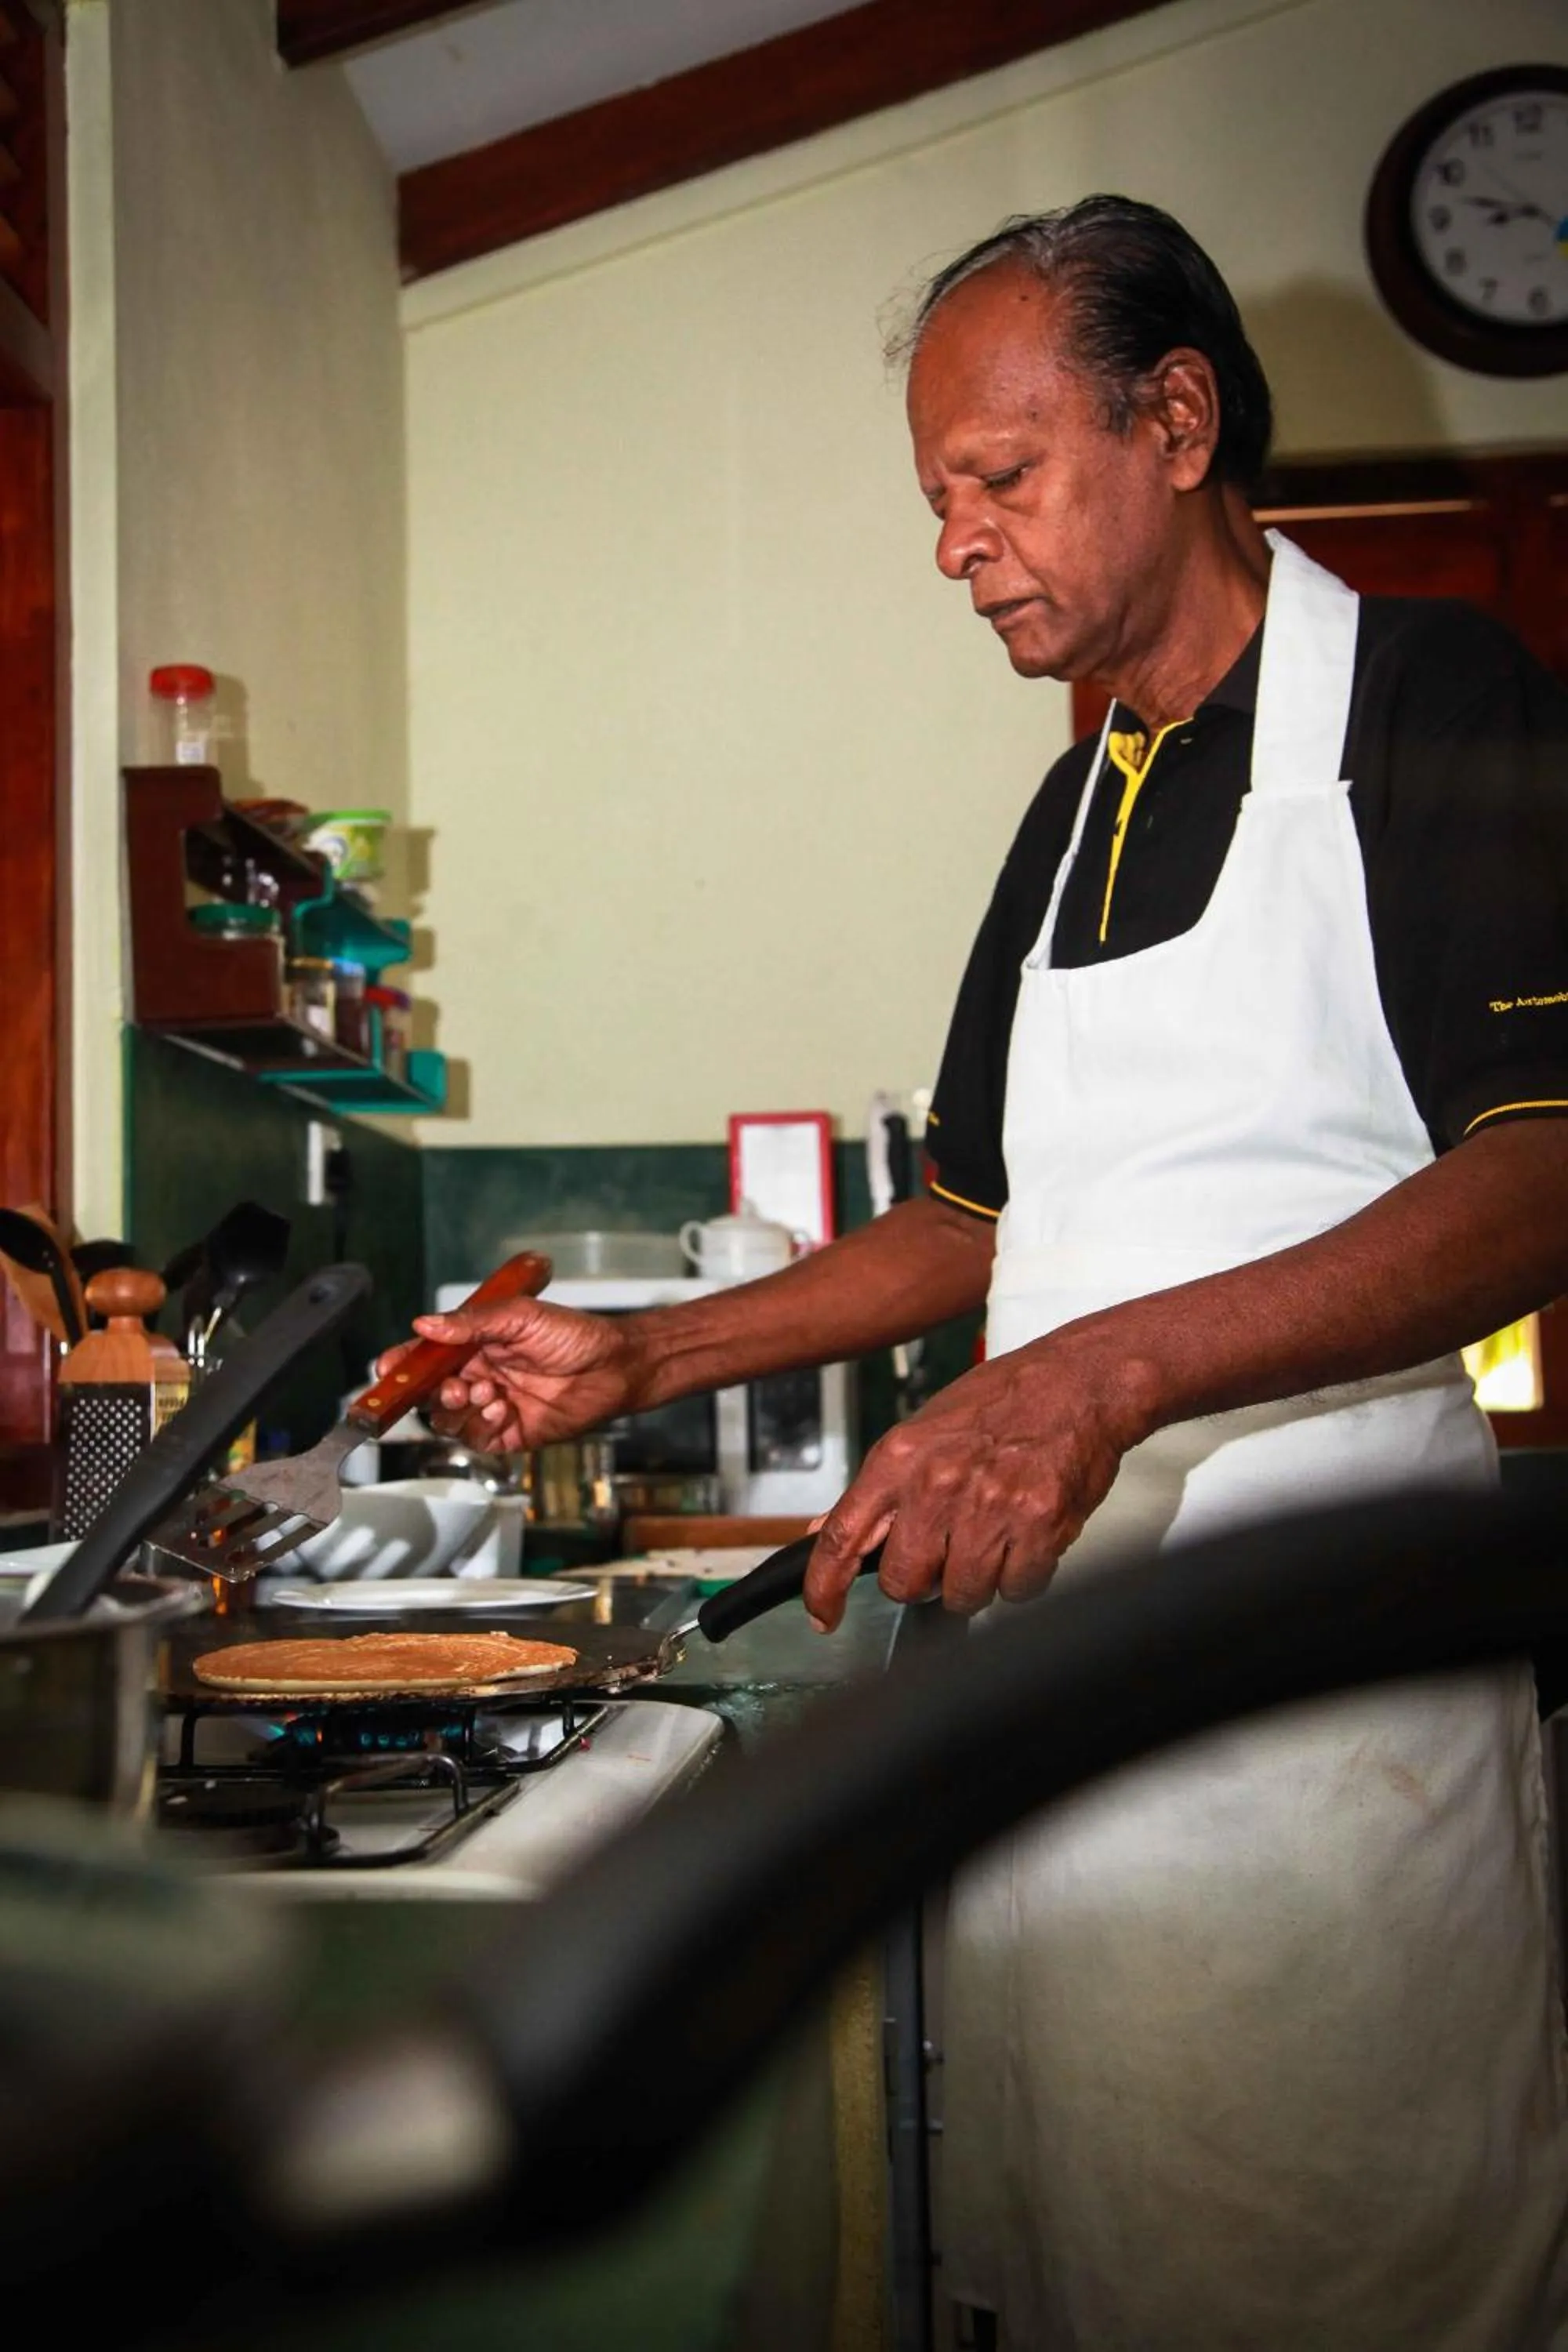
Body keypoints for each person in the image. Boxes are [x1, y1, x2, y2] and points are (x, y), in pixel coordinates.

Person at [393, 200, 1568, 2347]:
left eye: (1001, 480)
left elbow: (1543, 1160)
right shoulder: (1069, 805)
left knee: (1339, 2261)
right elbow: (973, 1215)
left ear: (1180, 418)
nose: (958, 544)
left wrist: (1091, 1384)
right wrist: (632, 1358)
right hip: (1066, 1707)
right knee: (1101, 2258)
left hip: (1321, 1707)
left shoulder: (1426, 701)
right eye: (938, 499)